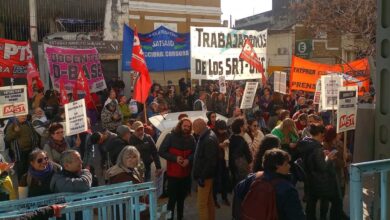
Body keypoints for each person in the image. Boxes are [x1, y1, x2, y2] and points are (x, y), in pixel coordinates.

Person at [240, 148, 305, 220]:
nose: (289, 166)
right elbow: (297, 216)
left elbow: (238, 196)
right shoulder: (288, 189)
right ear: (277, 166)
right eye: (286, 164)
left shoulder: (252, 178)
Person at [297, 124, 343, 220]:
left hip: (309, 177)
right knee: (327, 201)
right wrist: (328, 158)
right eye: (323, 135)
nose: (323, 138)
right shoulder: (317, 147)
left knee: (311, 204)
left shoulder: (306, 143)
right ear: (319, 134)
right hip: (319, 179)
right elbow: (322, 166)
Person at [159, 118, 195, 220]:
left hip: (185, 174)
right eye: (185, 126)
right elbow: (161, 151)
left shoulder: (191, 138)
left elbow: (194, 152)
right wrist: (175, 158)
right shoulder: (170, 136)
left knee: (181, 199)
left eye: (188, 127)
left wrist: (188, 160)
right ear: (180, 125)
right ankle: (169, 218)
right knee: (172, 200)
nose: (187, 128)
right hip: (173, 175)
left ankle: (180, 217)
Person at [192, 118, 219, 220]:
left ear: (199, 127)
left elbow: (210, 162)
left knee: (201, 205)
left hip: (205, 177)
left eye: (194, 127)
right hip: (207, 176)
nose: (193, 130)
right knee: (209, 201)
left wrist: (202, 177)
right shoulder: (207, 135)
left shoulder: (208, 139)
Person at [5, 115, 39, 180]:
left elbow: (34, 134)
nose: (24, 117)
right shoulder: (12, 125)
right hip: (20, 152)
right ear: (17, 116)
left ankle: (31, 184)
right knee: (21, 171)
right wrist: (15, 132)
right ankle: (22, 186)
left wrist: (36, 142)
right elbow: (7, 138)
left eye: (25, 115)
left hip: (31, 150)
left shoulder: (29, 124)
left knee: (32, 168)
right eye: (22, 116)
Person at [212, 120, 231, 208]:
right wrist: (219, 146)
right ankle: (214, 199)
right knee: (216, 181)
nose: (223, 131)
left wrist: (226, 142)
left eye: (224, 129)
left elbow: (228, 140)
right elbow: (211, 146)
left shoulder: (226, 133)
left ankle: (224, 197)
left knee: (225, 179)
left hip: (225, 160)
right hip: (216, 161)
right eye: (221, 129)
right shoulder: (213, 134)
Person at [229, 118, 253, 186]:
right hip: (242, 171)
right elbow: (249, 160)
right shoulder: (242, 142)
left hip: (234, 171)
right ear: (241, 127)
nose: (247, 125)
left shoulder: (231, 138)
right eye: (245, 124)